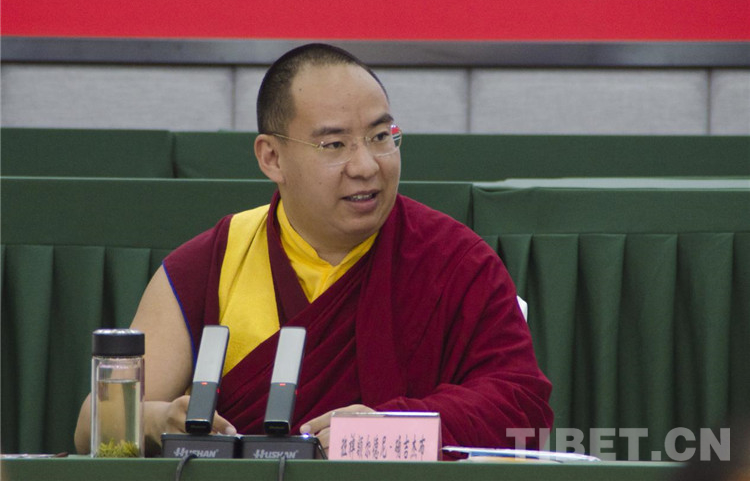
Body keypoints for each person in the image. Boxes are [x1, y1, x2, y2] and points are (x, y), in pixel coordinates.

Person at [74, 43, 553, 457]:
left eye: (380, 137)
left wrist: (393, 428)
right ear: (272, 157)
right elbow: (92, 426)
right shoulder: (213, 263)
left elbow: (522, 407)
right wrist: (160, 419)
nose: (366, 166)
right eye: (334, 145)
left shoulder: (454, 260)